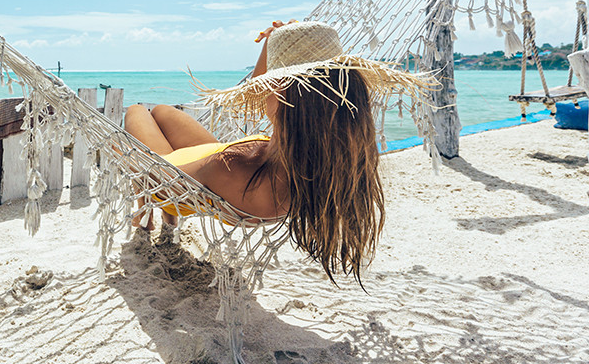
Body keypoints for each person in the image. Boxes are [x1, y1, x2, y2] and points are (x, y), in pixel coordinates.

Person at [124, 20, 432, 285]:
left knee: (138, 110)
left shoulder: (237, 165)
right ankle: (165, 220)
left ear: (283, 95)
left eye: (275, 82)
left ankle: (155, 216)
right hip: (211, 160)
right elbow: (260, 89)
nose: (266, 88)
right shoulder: (314, 156)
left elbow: (164, 179)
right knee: (164, 111)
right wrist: (272, 45)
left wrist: (132, 168)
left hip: (176, 173)